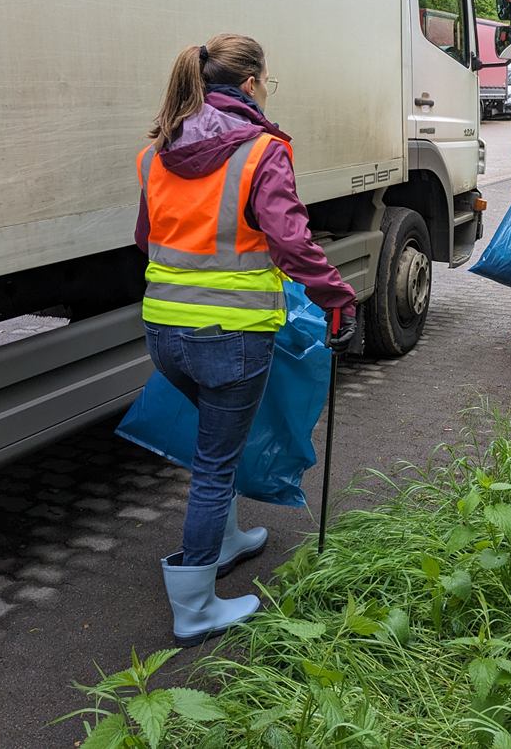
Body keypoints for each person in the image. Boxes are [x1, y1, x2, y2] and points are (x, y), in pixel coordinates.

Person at [134, 33, 357, 645]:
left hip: (164, 332)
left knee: (213, 447)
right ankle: (196, 606)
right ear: (252, 85)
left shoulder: (157, 152)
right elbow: (290, 240)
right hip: (231, 337)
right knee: (214, 463)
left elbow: (144, 238)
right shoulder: (262, 152)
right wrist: (337, 295)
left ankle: (227, 539)